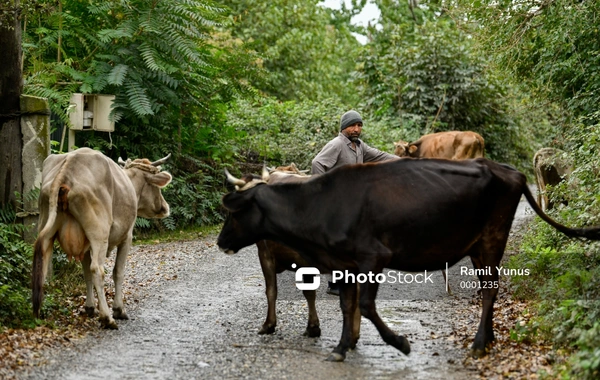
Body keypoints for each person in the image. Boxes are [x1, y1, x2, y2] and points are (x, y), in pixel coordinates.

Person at [311, 110, 399, 295]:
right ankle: (334, 284)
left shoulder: (359, 146)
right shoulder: (336, 145)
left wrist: (404, 162)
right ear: (344, 127)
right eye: (353, 125)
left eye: (359, 125)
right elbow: (317, 163)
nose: (356, 129)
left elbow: (380, 156)